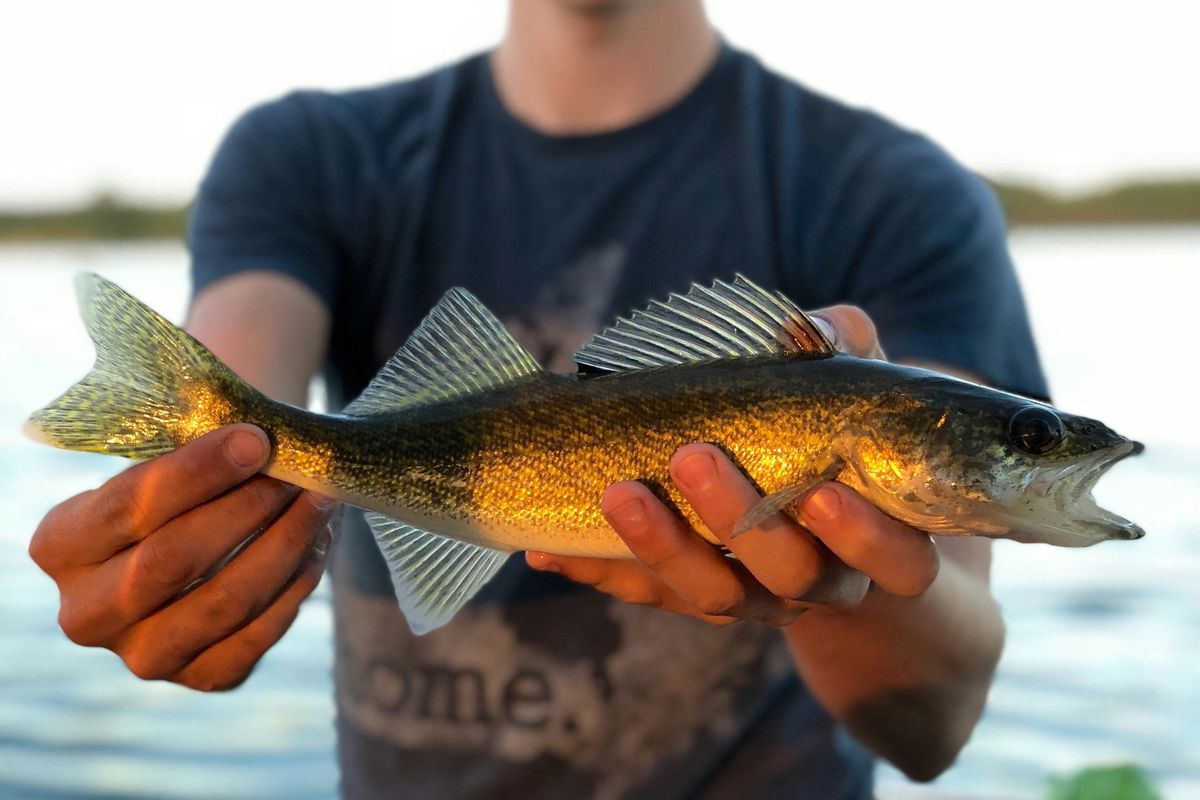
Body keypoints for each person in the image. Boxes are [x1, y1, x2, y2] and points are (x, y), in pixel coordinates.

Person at [29, 1, 1049, 797]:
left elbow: (935, 720)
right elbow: (240, 368)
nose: (1032, 449)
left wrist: (834, 590)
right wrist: (189, 527)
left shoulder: (897, 194)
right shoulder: (307, 156)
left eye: (1029, 437)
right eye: (1030, 437)